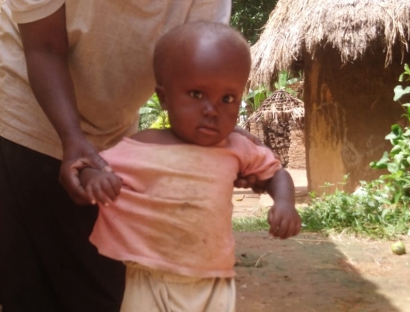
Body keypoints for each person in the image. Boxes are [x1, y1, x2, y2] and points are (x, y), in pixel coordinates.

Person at [0, 0, 253, 311]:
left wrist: (218, 141)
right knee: (32, 285)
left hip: (114, 126)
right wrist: (72, 138)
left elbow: (198, 67)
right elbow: (43, 47)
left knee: (103, 284)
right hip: (32, 109)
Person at [79, 22, 302, 312]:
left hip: (213, 279)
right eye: (197, 94)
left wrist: (285, 204)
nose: (212, 110)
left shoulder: (237, 146)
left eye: (227, 98)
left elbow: (276, 173)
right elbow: (92, 167)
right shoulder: (142, 147)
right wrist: (93, 177)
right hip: (150, 278)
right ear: (164, 98)